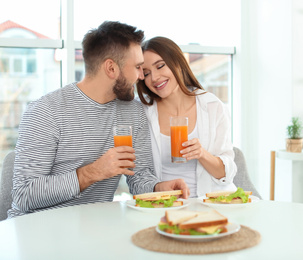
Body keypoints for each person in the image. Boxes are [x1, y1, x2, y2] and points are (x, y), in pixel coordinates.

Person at [8, 22, 188, 219]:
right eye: (137, 67)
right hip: (36, 228)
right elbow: (24, 194)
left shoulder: (134, 112)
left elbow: (140, 178)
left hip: (94, 227)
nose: (141, 76)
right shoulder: (46, 111)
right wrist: (91, 173)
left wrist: (159, 187)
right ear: (111, 68)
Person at [136, 36, 237, 198]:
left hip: (212, 202)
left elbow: (227, 174)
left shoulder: (212, 106)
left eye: (160, 66)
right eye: (146, 73)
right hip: (167, 204)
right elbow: (138, 176)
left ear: (177, 63)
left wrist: (202, 154)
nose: (154, 78)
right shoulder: (142, 112)